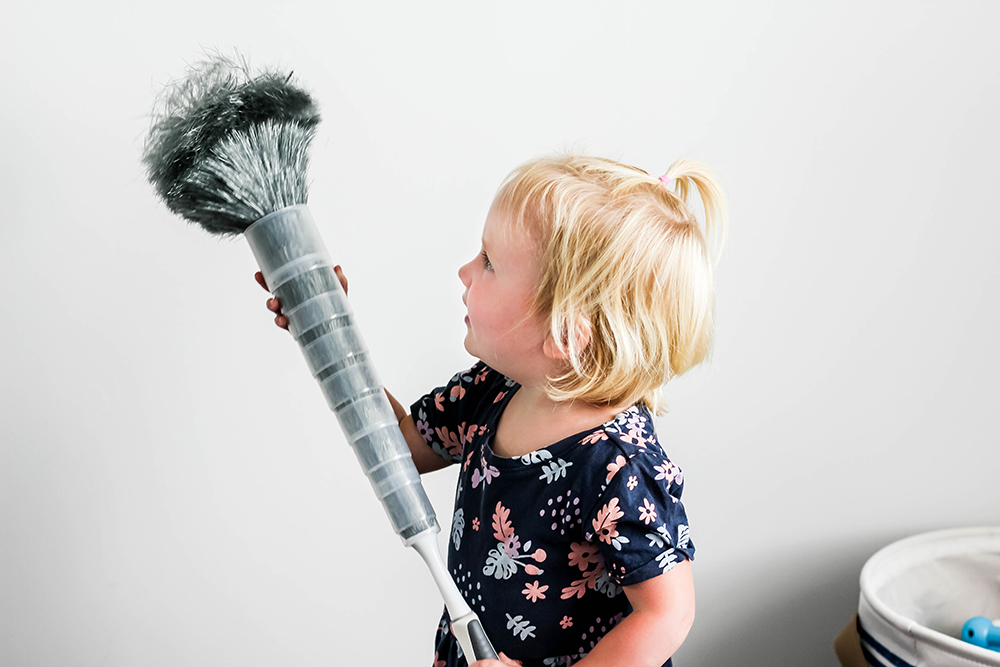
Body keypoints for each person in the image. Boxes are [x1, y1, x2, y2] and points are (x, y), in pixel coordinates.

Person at [257, 154, 726, 667]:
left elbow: (667, 614)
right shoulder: (496, 389)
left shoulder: (617, 466)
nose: (464, 272)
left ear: (564, 332)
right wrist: (327, 326)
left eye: (488, 262)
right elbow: (403, 445)